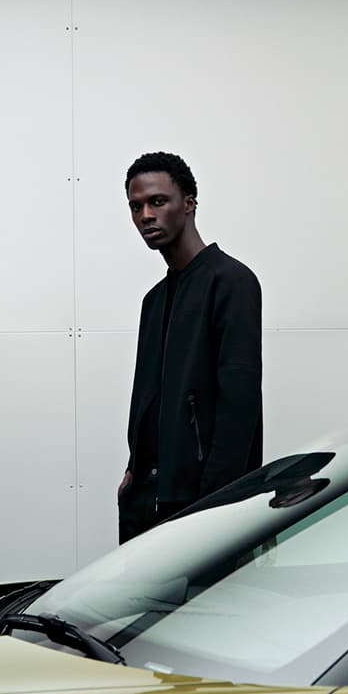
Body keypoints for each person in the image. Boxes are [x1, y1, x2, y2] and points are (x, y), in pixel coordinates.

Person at [118, 151, 263, 542]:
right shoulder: (154, 300)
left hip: (203, 505)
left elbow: (240, 406)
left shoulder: (231, 282)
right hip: (146, 504)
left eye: (157, 201)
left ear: (189, 204)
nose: (145, 215)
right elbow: (150, 398)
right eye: (136, 206)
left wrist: (215, 502)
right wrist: (133, 473)